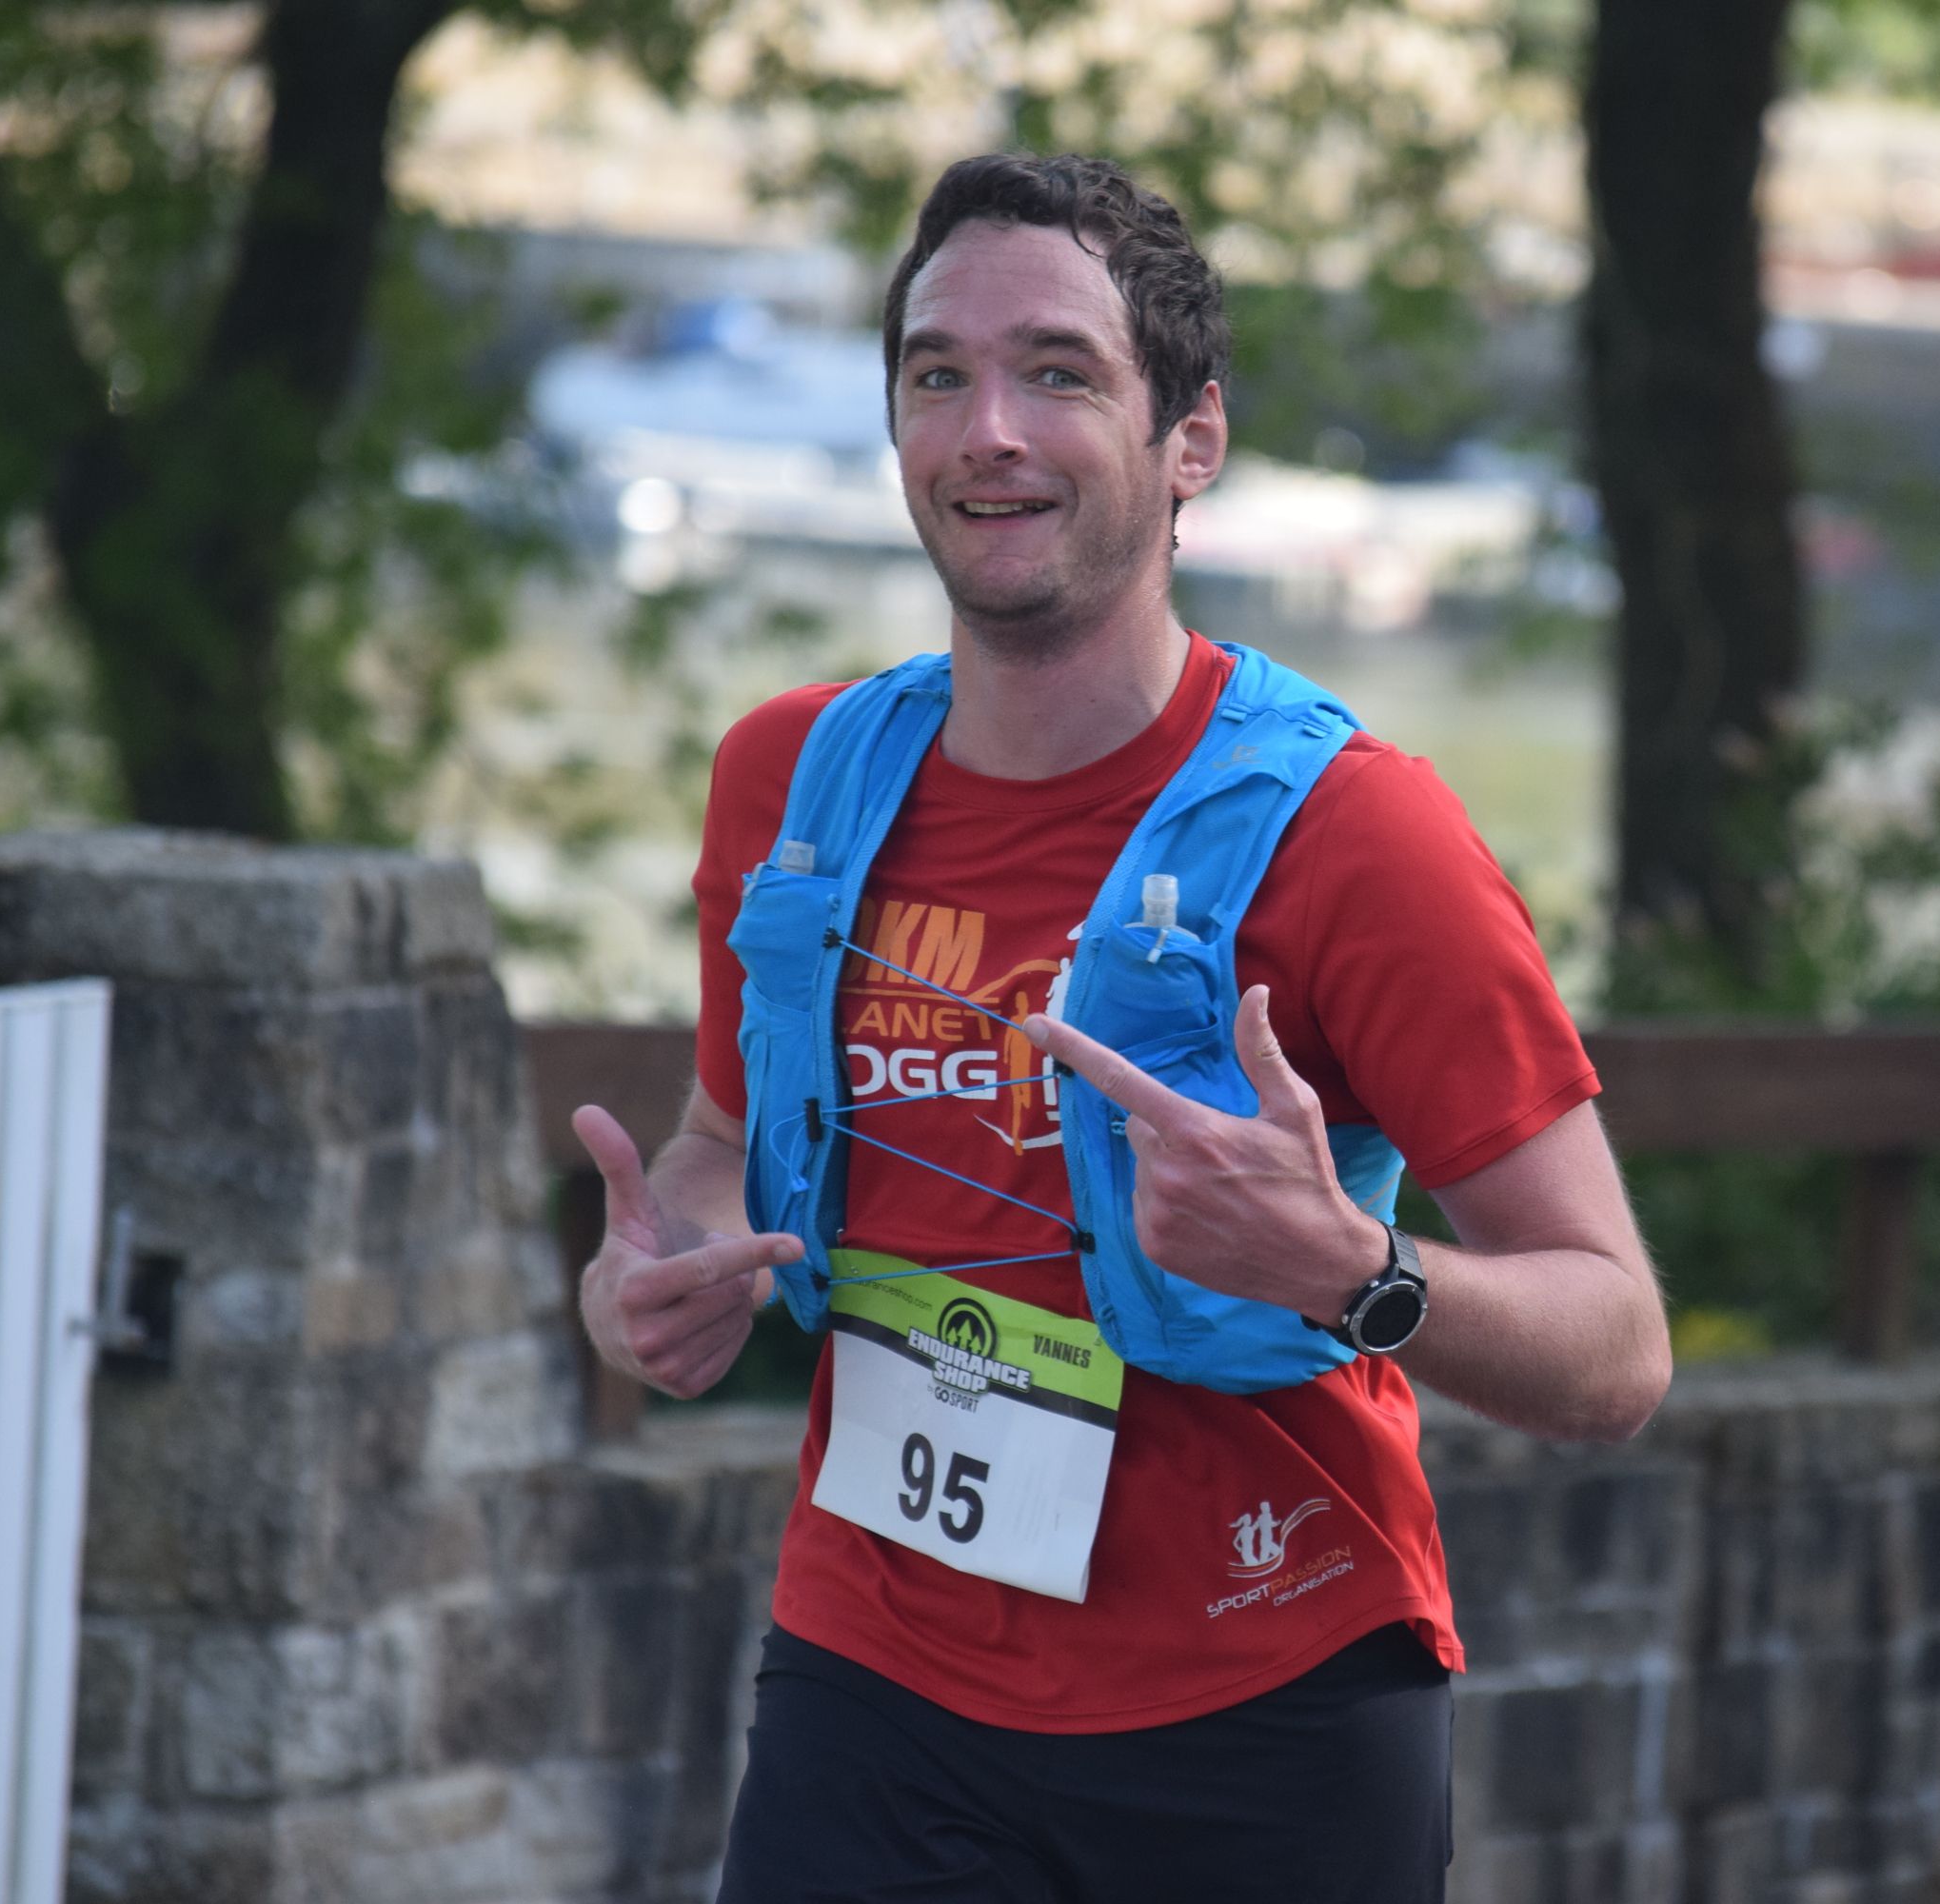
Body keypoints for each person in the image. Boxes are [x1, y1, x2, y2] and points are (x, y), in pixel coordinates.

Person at [570, 150, 1671, 1904]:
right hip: (871, 1683)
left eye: (1060, 374)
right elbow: (715, 1151)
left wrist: (1355, 1273)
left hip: (1263, 1708)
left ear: (1191, 442)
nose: (988, 430)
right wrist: (660, 1276)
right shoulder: (791, 780)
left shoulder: (1360, 837)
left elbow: (1616, 1351)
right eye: (939, 373)